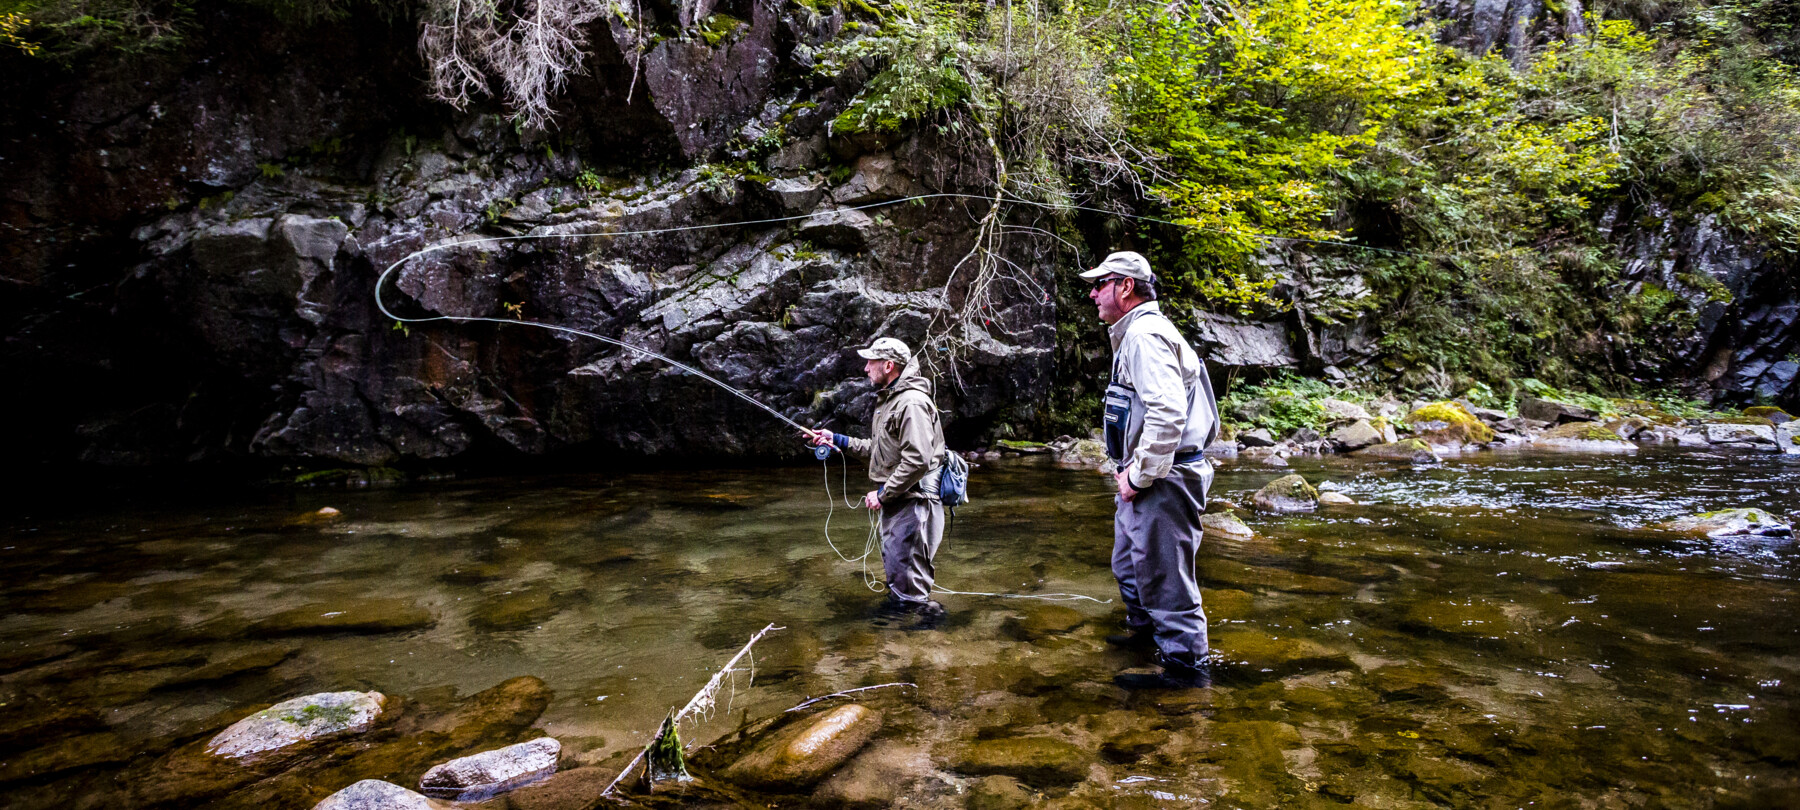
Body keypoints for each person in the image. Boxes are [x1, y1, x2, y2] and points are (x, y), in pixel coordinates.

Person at [1082, 250, 1221, 688]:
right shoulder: (1136, 333)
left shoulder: (1144, 335)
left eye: (1100, 283)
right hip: (1148, 477)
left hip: (1163, 478)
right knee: (1129, 568)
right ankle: (1145, 643)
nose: (1092, 293)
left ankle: (1185, 678)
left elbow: (1167, 414)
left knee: (1166, 585)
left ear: (1125, 286)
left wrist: (1139, 476)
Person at [804, 337, 948, 623]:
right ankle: (906, 630)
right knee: (900, 576)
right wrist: (838, 440)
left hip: (915, 504)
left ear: (889, 366)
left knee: (909, 583)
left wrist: (882, 494)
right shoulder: (891, 401)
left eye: (872, 361)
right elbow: (880, 451)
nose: (866, 367)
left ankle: (928, 638)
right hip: (903, 502)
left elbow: (917, 460)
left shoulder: (912, 403)